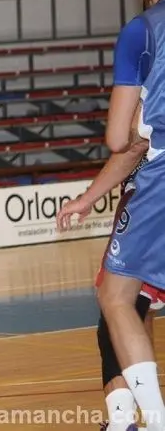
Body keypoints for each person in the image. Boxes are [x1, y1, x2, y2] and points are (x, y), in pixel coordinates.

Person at [95, 0, 165, 429]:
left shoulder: (142, 30)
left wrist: (141, 125)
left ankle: (154, 420)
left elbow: (119, 139)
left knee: (116, 295)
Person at [56, 143, 165, 431]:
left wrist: (88, 197)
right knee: (140, 309)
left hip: (151, 200)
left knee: (116, 306)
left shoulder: (147, 117)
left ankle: (125, 420)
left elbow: (128, 145)